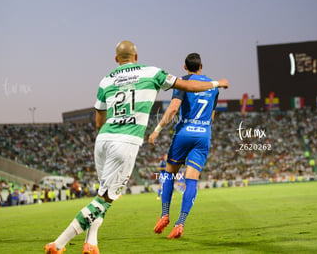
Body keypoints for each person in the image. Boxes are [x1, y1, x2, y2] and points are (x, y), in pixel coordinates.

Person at [44, 40, 228, 254]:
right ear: (136, 56)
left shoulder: (106, 80)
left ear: (116, 59)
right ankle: (58, 244)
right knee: (105, 199)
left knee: (103, 192)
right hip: (127, 142)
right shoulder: (151, 72)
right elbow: (188, 86)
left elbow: (97, 121)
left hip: (103, 139)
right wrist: (216, 83)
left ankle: (91, 243)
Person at [149, 53, 219, 239]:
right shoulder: (213, 86)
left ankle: (165, 214)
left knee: (169, 173)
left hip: (184, 132)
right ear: (201, 67)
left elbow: (173, 109)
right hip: (203, 134)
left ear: (185, 66)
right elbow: (212, 117)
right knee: (191, 180)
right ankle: (180, 223)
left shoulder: (183, 82)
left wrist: (157, 129)